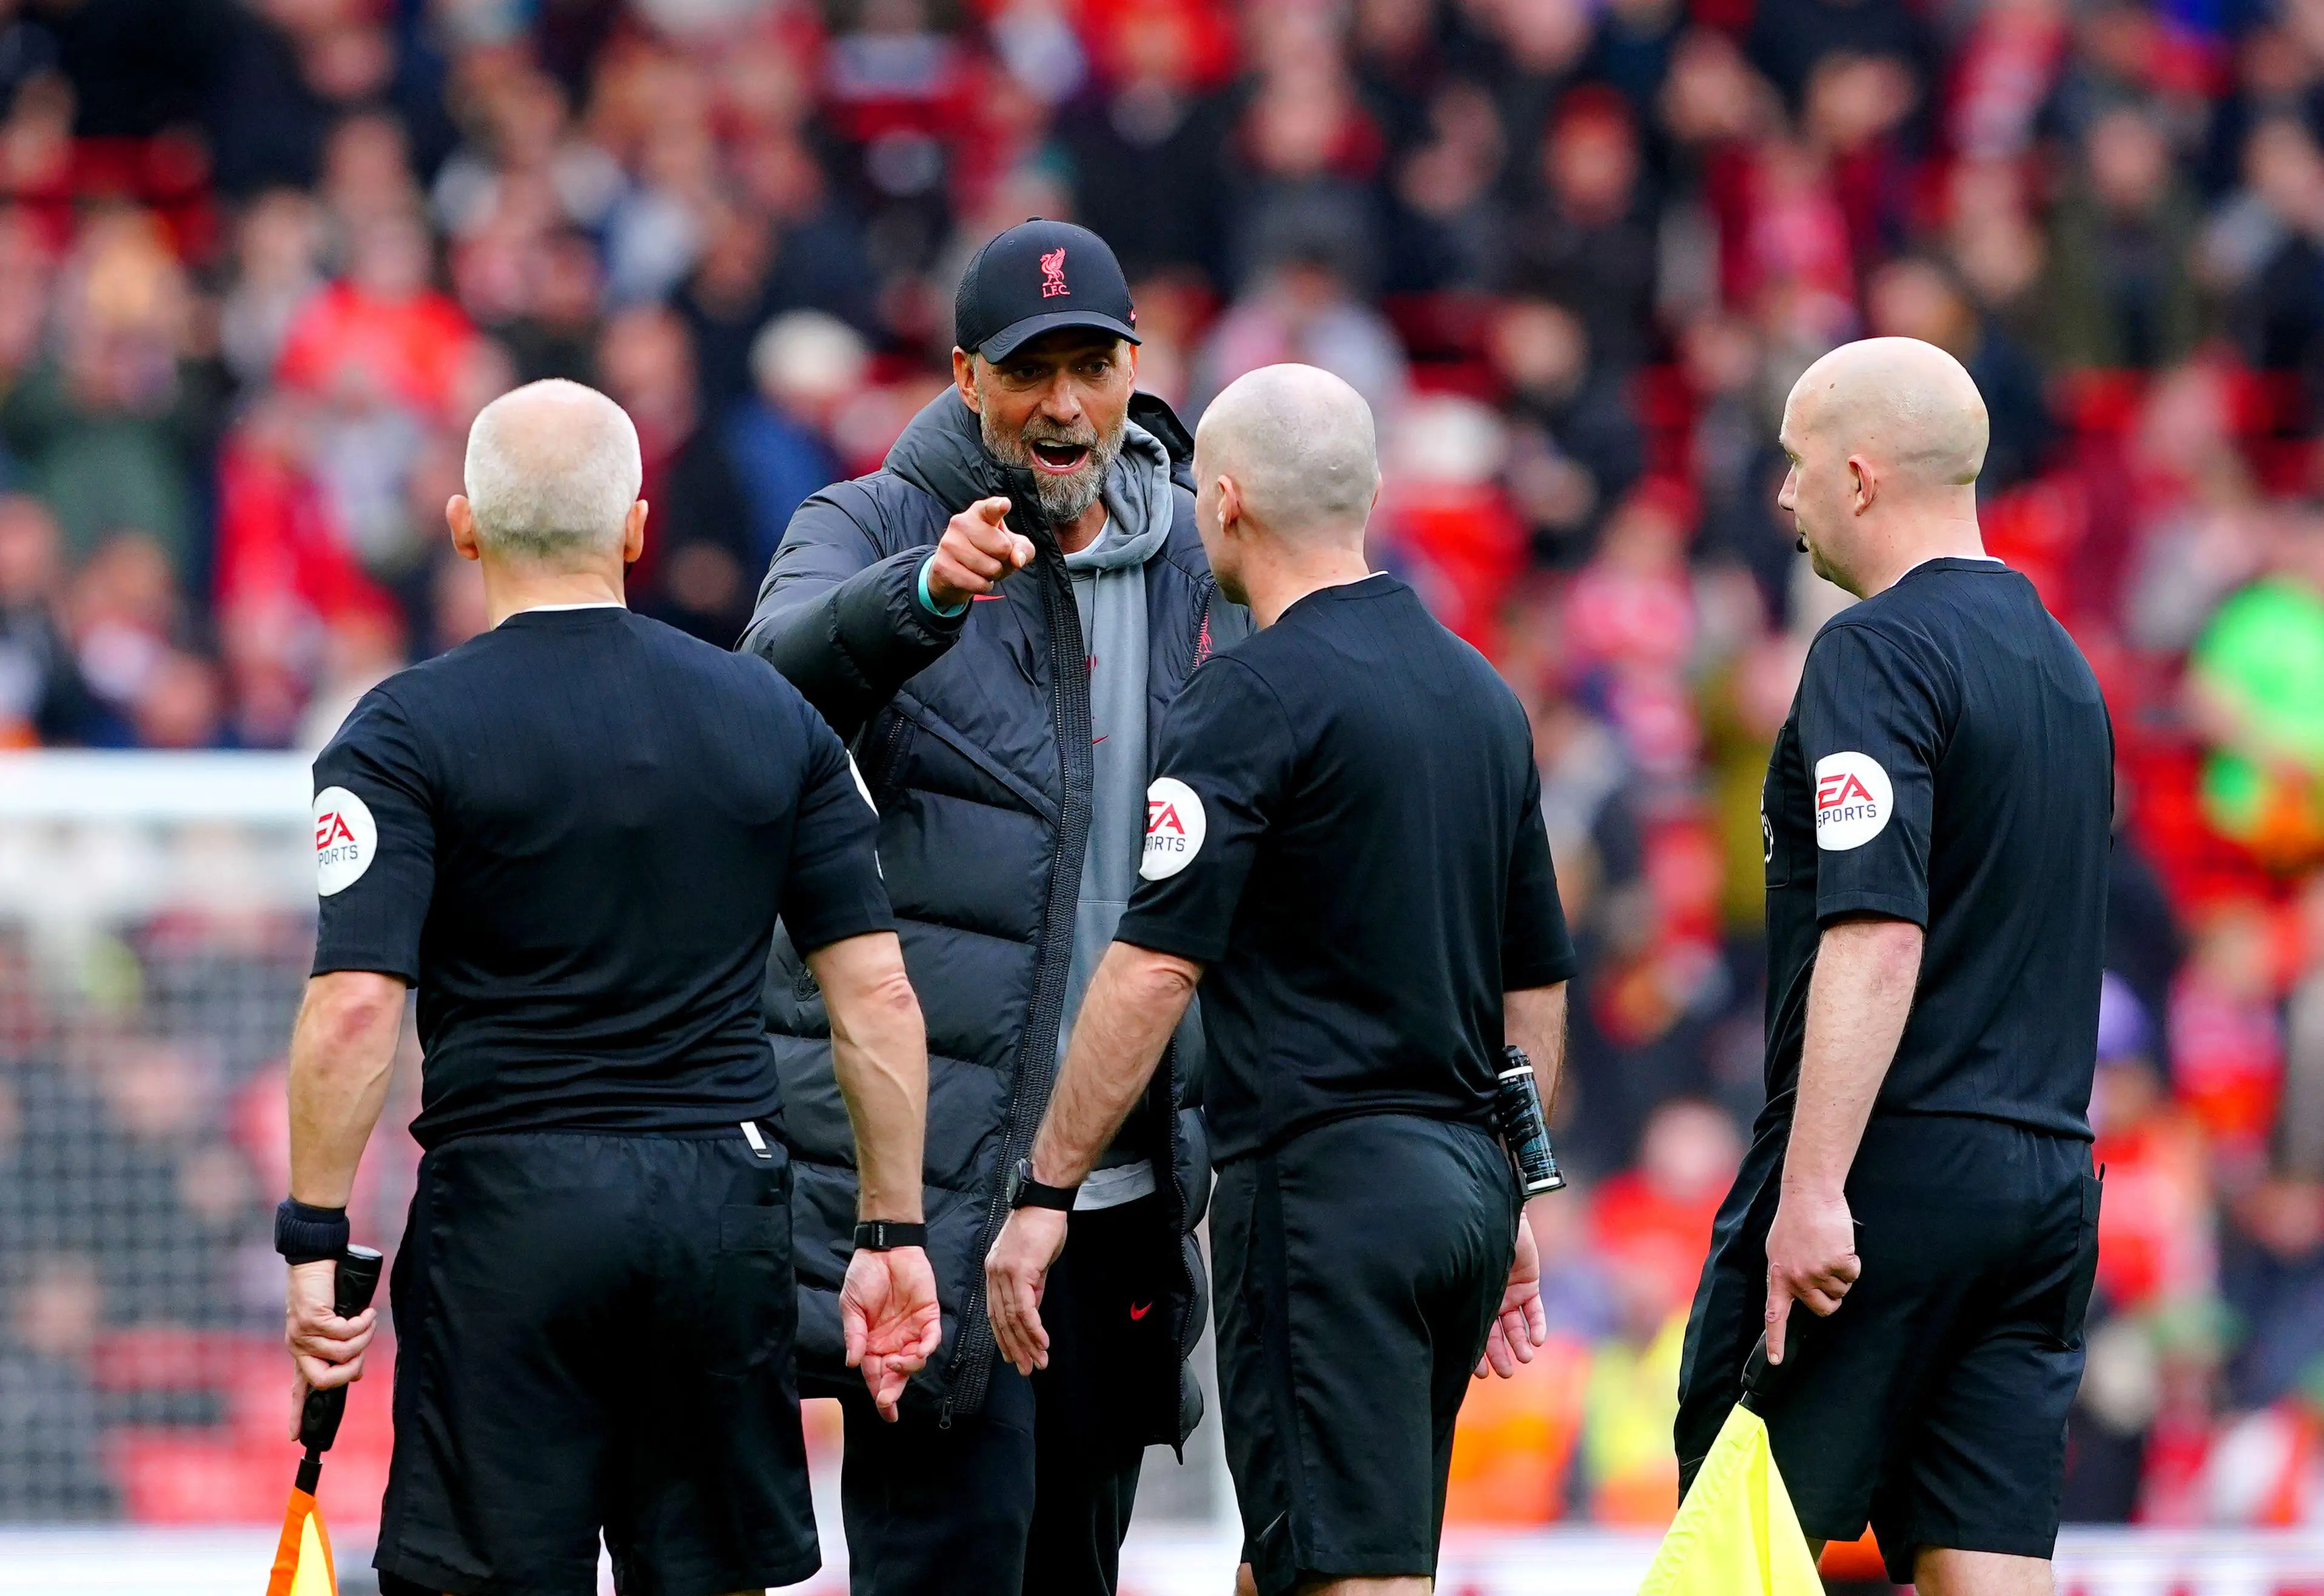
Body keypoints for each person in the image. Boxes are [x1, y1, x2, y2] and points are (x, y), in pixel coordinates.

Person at [278, 379, 942, 1596]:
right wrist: (890, 1229)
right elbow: (877, 1000)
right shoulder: (774, 717)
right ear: (637, 526)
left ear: (464, 523)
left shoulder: (400, 733)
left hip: (508, 1205)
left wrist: (316, 1234)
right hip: (716, 1205)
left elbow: (357, 1005)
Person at [985, 363, 1582, 1596]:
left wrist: (1048, 1183)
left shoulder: (1246, 698)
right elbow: (1535, 976)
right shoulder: (1481, 695)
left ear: (1229, 503)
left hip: (1326, 1196)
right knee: (1296, 1550)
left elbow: (1151, 967)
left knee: (1349, 1573)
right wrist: (1519, 1181)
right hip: (1461, 1189)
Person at [737, 219, 1244, 1596]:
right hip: (934, 1197)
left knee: (1077, 1564)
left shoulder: (1209, 552)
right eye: (1029, 373)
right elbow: (763, 694)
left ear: (1136, 366)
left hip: (1117, 1183)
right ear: (965, 377)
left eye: (1091, 364)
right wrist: (915, 597)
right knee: (941, 1566)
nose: (1064, 404)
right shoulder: (868, 522)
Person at [1672, 338, 2114, 1595]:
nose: (1780, 493)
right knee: (1984, 1559)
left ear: (1858, 478)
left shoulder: (1870, 653)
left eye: (1794, 462)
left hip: (1886, 1170)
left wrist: (1811, 1186)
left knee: (1732, 1556)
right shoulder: (2064, 672)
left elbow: (1876, 926)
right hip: (2039, 1183)